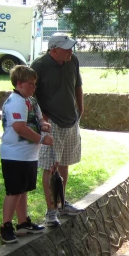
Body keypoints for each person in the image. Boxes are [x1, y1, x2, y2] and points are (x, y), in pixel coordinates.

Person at [32, 34, 84, 228]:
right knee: (50, 166)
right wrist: (42, 116)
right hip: (51, 122)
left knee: (64, 164)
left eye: (71, 48)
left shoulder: (73, 61)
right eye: (67, 48)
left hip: (71, 120)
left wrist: (80, 108)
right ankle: (51, 210)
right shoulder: (39, 66)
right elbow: (31, 94)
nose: (71, 51)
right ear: (54, 50)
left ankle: (61, 204)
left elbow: (78, 85)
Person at [0, 65, 53, 244]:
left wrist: (44, 125)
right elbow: (19, 128)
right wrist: (41, 139)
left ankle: (23, 223)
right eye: (31, 84)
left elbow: (39, 118)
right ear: (19, 83)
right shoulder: (16, 101)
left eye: (34, 84)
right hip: (14, 154)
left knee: (22, 190)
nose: (34, 87)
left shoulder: (31, 100)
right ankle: (6, 226)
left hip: (28, 155)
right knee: (14, 191)